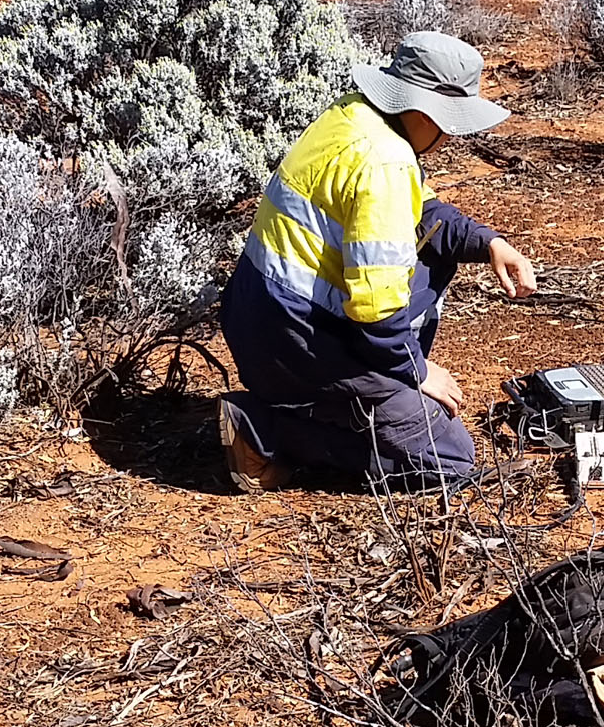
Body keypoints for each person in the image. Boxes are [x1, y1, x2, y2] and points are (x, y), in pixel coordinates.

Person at [217, 31, 537, 491]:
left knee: (436, 248)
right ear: (424, 112)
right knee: (449, 460)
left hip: (256, 319)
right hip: (297, 341)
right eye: (449, 122)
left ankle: (320, 404)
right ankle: (267, 430)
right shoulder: (386, 161)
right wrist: (416, 371)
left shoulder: (353, 116)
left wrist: (489, 244)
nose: (450, 137)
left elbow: (424, 215)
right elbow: (376, 308)